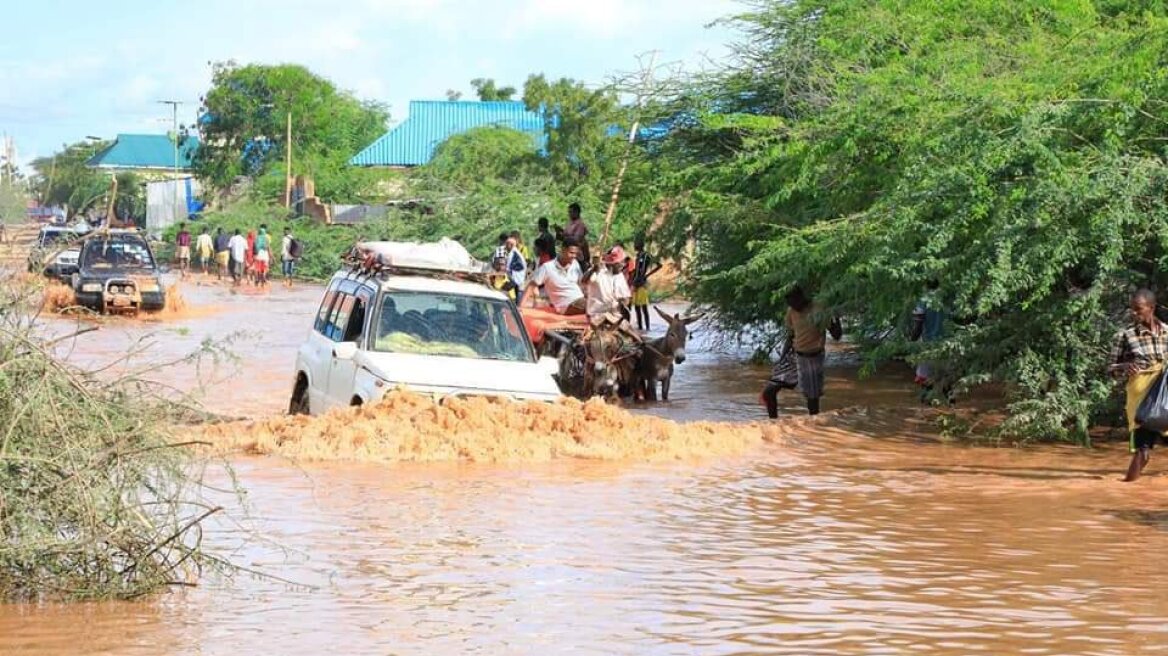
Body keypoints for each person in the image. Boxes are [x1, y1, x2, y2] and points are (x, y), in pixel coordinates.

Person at [1110, 289, 1168, 482]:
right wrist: (1125, 366)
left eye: (1138, 309)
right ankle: (1127, 488)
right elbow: (1110, 368)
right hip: (1141, 399)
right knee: (1142, 452)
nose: (1134, 313)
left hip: (1164, 397)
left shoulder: (1167, 332)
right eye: (1132, 309)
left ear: (1151, 308)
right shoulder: (1125, 336)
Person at [784, 286, 842, 416]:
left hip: (815, 355)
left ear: (801, 299)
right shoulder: (791, 311)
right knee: (808, 393)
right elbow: (791, 335)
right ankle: (814, 421)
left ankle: (814, 421)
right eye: (790, 304)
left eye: (794, 303)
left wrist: (836, 317)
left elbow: (836, 335)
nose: (793, 307)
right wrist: (783, 358)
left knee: (813, 394)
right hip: (800, 356)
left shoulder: (818, 309)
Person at [910, 281, 953, 404]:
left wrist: (911, 341)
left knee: (926, 380)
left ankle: (925, 412)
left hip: (928, 344)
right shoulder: (946, 300)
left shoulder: (924, 301)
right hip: (948, 344)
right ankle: (951, 406)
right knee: (946, 379)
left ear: (926, 285)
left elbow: (918, 325)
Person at [586, 246, 638, 338]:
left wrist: (624, 301)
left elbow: (625, 299)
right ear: (613, 263)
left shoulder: (619, 276)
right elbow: (583, 281)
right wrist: (593, 269)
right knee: (633, 335)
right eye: (621, 262)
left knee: (633, 335)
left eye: (624, 262)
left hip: (614, 315)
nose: (623, 265)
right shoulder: (598, 271)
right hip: (597, 314)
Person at [529, 239, 588, 315]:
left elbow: (581, 284)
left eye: (576, 254)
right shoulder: (547, 267)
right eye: (571, 253)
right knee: (591, 305)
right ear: (563, 250)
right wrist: (525, 305)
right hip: (566, 305)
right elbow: (532, 285)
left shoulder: (575, 264)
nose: (574, 256)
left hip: (580, 300)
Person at [761, 337, 799, 419]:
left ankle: (815, 419)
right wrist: (781, 360)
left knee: (768, 392)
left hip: (804, 355)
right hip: (793, 355)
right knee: (768, 393)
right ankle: (773, 421)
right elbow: (790, 336)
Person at [631, 236, 663, 332]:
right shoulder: (638, 256)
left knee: (643, 307)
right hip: (636, 283)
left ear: (640, 245)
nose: (634, 245)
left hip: (642, 283)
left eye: (636, 244)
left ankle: (648, 328)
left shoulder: (646, 255)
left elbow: (659, 265)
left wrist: (647, 275)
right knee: (637, 307)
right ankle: (641, 328)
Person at [504, 235, 527, 304]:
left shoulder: (512, 254)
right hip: (519, 275)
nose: (505, 246)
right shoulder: (515, 252)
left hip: (517, 276)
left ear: (511, 245)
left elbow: (507, 269)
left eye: (506, 244)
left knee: (503, 288)